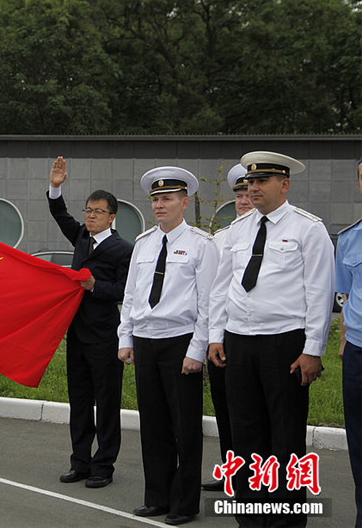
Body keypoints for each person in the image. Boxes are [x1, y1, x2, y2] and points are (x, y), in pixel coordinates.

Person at [208, 151, 334, 528]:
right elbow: (221, 288)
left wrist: (313, 349)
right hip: (239, 342)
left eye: (262, 181)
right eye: (250, 182)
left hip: (285, 344)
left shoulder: (307, 229)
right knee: (245, 435)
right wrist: (216, 336)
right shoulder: (239, 229)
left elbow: (320, 293)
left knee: (285, 438)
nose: (253, 188)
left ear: (285, 185)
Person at [118, 167, 218, 526]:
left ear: (184, 202)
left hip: (180, 344)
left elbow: (209, 303)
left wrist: (197, 349)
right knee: (154, 425)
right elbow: (130, 297)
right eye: (156, 199)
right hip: (146, 343)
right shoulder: (143, 243)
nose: (160, 205)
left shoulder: (201, 245)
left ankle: (184, 502)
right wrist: (125, 338)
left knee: (185, 426)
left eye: (167, 198)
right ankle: (157, 496)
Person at [44, 157, 133, 486]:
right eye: (88, 210)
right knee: (79, 402)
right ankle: (79, 461)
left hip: (105, 337)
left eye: (98, 212)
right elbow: (59, 213)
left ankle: (103, 467)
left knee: (106, 404)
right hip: (77, 335)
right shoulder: (81, 237)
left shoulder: (124, 250)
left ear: (112, 216)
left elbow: (125, 291)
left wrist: (96, 287)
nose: (90, 216)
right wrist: (56, 186)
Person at [201, 162, 252, 492]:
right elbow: (210, 293)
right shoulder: (219, 239)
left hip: (256, 339)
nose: (244, 200)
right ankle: (234, 474)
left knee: (253, 413)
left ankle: (258, 478)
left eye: (249, 193)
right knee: (225, 410)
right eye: (239, 194)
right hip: (221, 338)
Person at [337, 157, 362, 528]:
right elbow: (344, 298)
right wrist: (343, 340)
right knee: (359, 442)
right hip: (358, 351)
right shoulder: (349, 238)